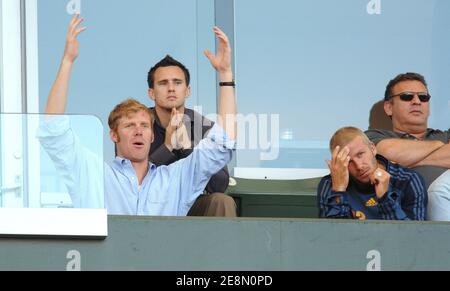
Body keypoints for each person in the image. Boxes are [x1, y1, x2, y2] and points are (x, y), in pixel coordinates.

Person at [37, 15, 237, 216]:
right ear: (114, 136)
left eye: (144, 125)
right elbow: (54, 130)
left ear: (152, 136)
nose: (138, 131)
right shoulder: (97, 176)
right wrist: (67, 61)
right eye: (129, 125)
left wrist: (225, 74)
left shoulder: (173, 179)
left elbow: (222, 144)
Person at [146, 55, 236, 217]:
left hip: (192, 205)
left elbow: (219, 185)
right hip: (149, 205)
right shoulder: (136, 123)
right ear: (151, 93)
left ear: (187, 91)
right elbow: (129, 178)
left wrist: (187, 148)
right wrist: (167, 147)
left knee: (222, 201)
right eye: (163, 83)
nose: (171, 88)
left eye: (177, 82)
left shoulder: (204, 126)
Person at [365, 72, 449, 220]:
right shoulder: (373, 136)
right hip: (400, 219)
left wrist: (402, 161)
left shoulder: (446, 136)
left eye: (423, 97)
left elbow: (388, 158)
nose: (417, 101)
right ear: (389, 107)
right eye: (407, 96)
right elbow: (388, 152)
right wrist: (438, 146)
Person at [318, 127, 427, 220]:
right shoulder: (330, 184)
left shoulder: (408, 180)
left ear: (373, 148)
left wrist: (385, 198)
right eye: (349, 161)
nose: (359, 166)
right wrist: (339, 190)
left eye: (360, 154)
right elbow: (333, 238)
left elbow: (412, 238)